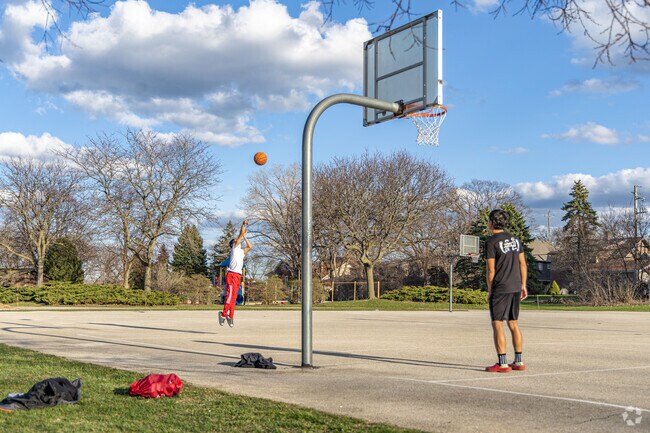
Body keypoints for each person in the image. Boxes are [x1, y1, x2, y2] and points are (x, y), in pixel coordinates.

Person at [485, 209, 528, 373]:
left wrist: (490, 290)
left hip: (500, 287)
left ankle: (502, 363)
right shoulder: (515, 240)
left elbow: (490, 271)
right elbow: (522, 264)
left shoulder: (491, 242)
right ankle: (518, 361)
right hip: (516, 286)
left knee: (497, 324)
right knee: (513, 323)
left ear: (491, 222)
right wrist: (523, 285)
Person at [219, 219, 252, 328]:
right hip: (232, 275)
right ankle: (223, 315)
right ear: (233, 244)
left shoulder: (242, 252)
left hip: (238, 275)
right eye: (236, 240)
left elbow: (250, 247)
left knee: (234, 298)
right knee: (229, 297)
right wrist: (243, 224)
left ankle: (230, 316)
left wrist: (245, 237)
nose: (237, 241)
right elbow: (240, 235)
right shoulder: (234, 248)